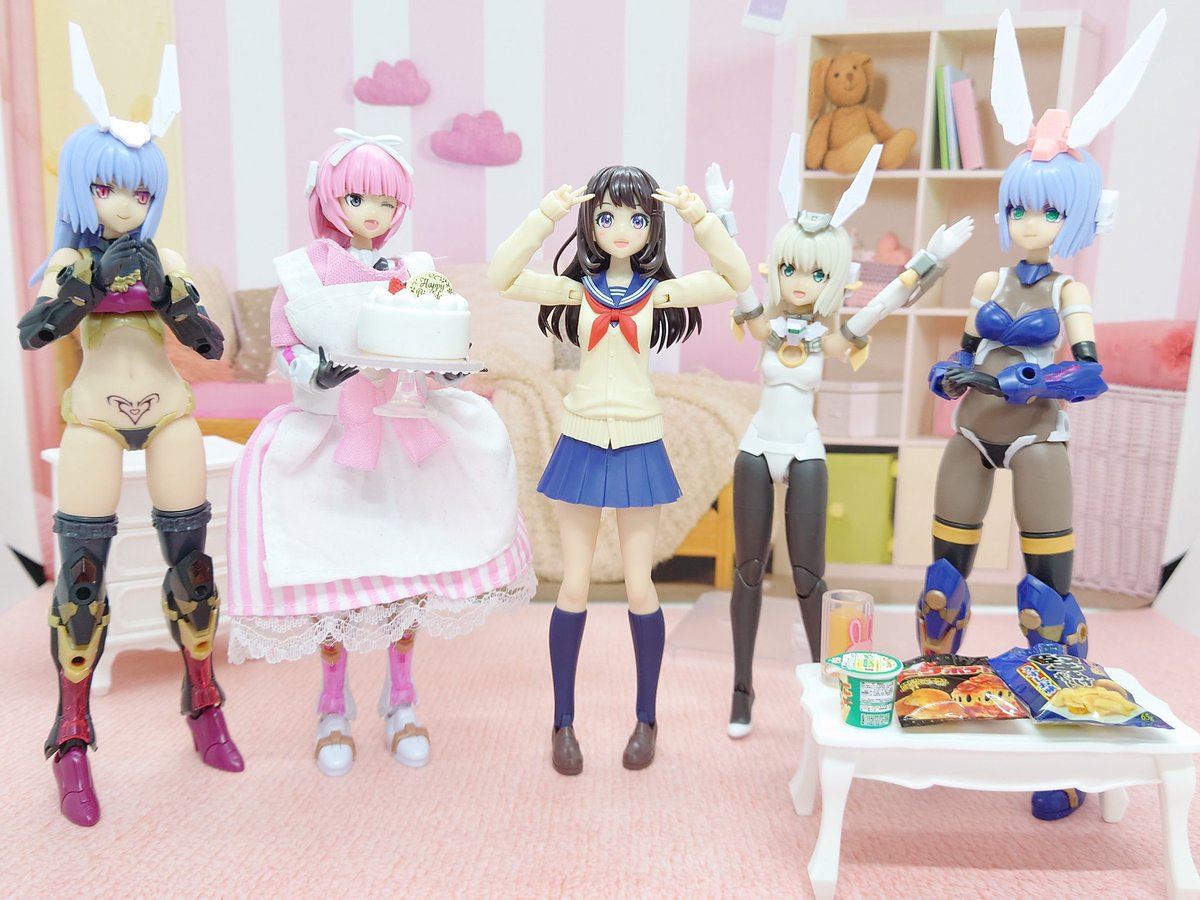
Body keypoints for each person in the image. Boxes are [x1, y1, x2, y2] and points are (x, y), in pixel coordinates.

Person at [226, 130, 535, 776]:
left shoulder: (412, 272)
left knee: (408, 575)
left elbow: (436, 338)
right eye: (359, 199)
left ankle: (401, 697)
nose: (375, 214)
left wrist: (446, 369)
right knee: (332, 579)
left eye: (388, 203)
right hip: (333, 435)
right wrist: (317, 372)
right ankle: (331, 704)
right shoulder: (303, 273)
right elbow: (287, 349)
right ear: (330, 199)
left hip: (404, 432)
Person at [19, 25, 240, 827]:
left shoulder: (164, 260)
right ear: (84, 189)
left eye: (141, 193)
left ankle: (204, 701)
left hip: (169, 411)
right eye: (111, 188)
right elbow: (35, 333)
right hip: (95, 419)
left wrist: (170, 298)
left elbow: (209, 345)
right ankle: (72, 738)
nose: (126, 204)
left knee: (195, 575)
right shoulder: (68, 264)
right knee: (81, 583)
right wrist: (87, 289)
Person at [488, 165, 751, 774]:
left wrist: (700, 217)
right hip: (581, 440)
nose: (621, 228)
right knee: (574, 587)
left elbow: (735, 277)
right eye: (606, 216)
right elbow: (503, 276)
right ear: (591, 223)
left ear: (652, 225)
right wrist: (545, 215)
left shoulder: (656, 294)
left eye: (636, 217)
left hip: (638, 443)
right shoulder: (577, 291)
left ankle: (646, 718)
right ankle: (562, 722)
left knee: (639, 587)